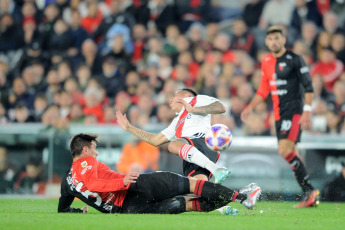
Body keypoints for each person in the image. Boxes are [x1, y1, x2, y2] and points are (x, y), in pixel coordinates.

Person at [57, 133, 261, 214]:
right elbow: (93, 184)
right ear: (84, 150)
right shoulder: (86, 163)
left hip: (128, 211)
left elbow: (62, 209)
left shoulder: (67, 182)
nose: (96, 152)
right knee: (191, 185)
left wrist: (77, 212)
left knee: (189, 204)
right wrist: (123, 181)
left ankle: (234, 201)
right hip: (135, 189)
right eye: (93, 148)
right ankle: (242, 197)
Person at [241, 25, 319, 208]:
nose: (274, 42)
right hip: (278, 113)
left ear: (284, 39)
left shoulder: (295, 59)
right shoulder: (266, 61)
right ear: (267, 42)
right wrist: (250, 106)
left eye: (277, 38)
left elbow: (309, 86)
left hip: (293, 111)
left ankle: (310, 190)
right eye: (270, 39)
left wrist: (307, 110)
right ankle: (309, 195)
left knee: (284, 150)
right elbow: (263, 89)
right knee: (293, 152)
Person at [116, 88, 231, 184]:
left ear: (187, 95)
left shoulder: (196, 99)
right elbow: (155, 140)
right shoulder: (176, 122)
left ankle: (216, 169)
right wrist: (129, 128)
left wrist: (194, 109)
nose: (170, 99)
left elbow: (220, 108)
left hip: (201, 141)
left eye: (175, 95)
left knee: (173, 145)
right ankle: (236, 200)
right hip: (191, 154)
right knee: (197, 189)